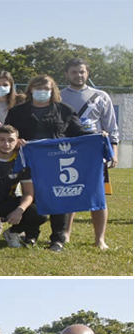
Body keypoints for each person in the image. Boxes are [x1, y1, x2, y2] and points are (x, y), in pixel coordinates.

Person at [5, 74, 87, 252]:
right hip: (29, 163)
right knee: (34, 199)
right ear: (30, 90)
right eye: (37, 88)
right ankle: (31, 234)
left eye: (46, 89)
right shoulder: (17, 112)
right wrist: (16, 142)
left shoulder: (65, 110)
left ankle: (58, 238)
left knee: (60, 197)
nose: (42, 92)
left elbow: (78, 133)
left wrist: (98, 137)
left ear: (53, 91)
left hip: (59, 163)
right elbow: (8, 133)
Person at [61, 58, 120, 250]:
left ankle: (100, 239)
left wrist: (114, 151)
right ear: (66, 74)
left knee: (98, 196)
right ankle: (66, 235)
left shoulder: (101, 96)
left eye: (81, 72)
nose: (78, 75)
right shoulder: (59, 96)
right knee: (70, 192)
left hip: (95, 153)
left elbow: (112, 127)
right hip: (68, 151)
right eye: (74, 72)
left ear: (87, 73)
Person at [0, 124, 46, 246]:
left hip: (7, 201)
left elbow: (28, 193)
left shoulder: (22, 161)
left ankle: (13, 232)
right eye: (2, 140)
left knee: (38, 212)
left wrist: (19, 210)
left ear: (17, 142)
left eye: (11, 140)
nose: (6, 144)